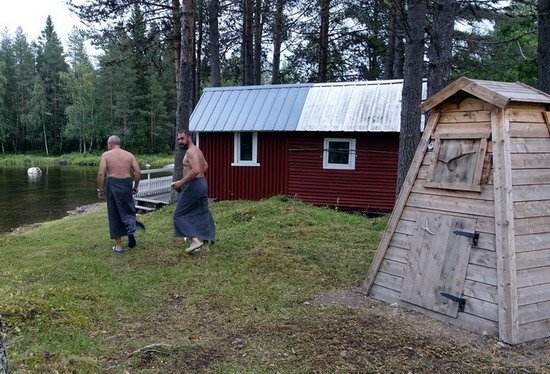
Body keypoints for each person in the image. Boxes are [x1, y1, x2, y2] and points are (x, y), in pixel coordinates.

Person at [171, 130, 215, 254]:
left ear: (189, 138)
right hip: (202, 183)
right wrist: (197, 177)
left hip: (195, 185)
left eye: (182, 138)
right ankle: (205, 246)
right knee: (202, 213)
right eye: (178, 139)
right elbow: (205, 166)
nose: (180, 141)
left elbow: (196, 170)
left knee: (178, 214)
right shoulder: (197, 150)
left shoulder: (190, 151)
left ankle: (195, 241)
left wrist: (181, 182)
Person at [97, 135, 141, 253]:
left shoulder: (106, 155)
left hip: (113, 184)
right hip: (126, 183)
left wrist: (100, 190)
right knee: (128, 209)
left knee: (114, 213)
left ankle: (119, 246)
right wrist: (135, 186)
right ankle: (130, 231)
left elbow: (101, 174)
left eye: (107, 144)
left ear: (110, 144)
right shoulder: (129, 155)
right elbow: (137, 172)